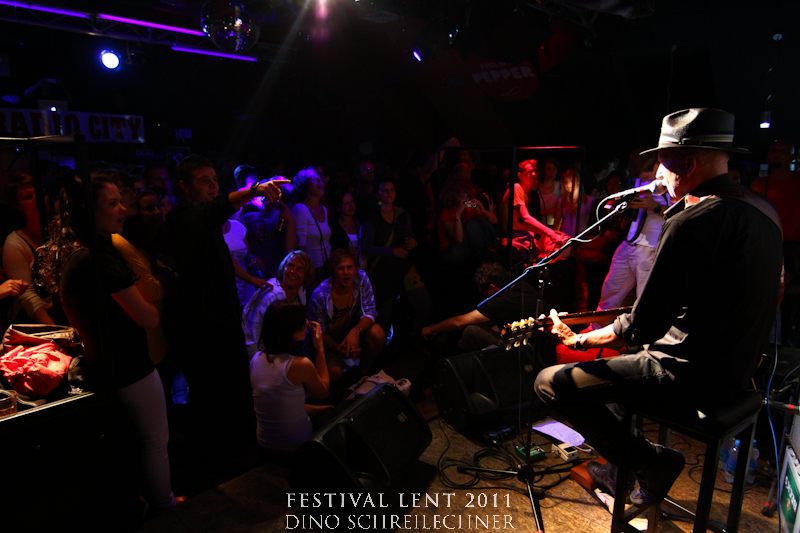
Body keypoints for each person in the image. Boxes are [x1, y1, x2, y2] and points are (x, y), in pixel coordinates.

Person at [534, 108, 783, 506]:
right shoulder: (763, 209)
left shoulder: (692, 220)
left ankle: (651, 463)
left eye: (663, 164)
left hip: (690, 376)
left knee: (551, 383)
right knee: (615, 379)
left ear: (688, 164)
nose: (658, 176)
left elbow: (643, 326)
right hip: (739, 371)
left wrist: (578, 340)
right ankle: (617, 469)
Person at [41, 174, 180, 511]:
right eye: (113, 203)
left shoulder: (81, 252)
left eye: (122, 201)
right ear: (89, 210)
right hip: (129, 367)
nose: (123, 210)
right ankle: (166, 508)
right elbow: (149, 317)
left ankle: (147, 502)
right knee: (155, 442)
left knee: (136, 443)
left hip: (109, 362)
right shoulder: (97, 259)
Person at [164, 154, 286, 429]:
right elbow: (215, 209)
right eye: (204, 181)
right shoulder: (182, 218)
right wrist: (254, 190)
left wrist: (250, 277)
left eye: (215, 180)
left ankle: (241, 436)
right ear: (184, 186)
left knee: (235, 382)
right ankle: (217, 445)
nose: (213, 186)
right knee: (212, 391)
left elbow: (222, 257)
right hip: (203, 323)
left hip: (225, 315)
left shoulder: (206, 221)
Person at [586, 152, 671, 330]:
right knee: (610, 290)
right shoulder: (641, 181)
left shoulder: (671, 183)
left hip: (650, 247)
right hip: (630, 242)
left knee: (645, 298)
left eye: (646, 177)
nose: (644, 181)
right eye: (641, 178)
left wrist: (655, 206)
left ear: (656, 167)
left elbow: (678, 214)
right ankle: (596, 330)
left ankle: (643, 338)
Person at [250, 301, 331, 453]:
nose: (307, 322)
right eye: (302, 321)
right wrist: (319, 348)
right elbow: (323, 391)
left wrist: (311, 409)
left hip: (265, 444)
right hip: (296, 446)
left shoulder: (256, 359)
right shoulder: (300, 365)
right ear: (290, 331)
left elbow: (276, 403)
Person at [421, 262, 545, 353]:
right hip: (540, 340)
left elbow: (458, 323)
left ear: (492, 287)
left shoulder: (501, 301)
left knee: (471, 331)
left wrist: (430, 329)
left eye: (483, 292)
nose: (484, 295)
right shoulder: (520, 285)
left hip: (524, 348)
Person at [362, 178, 431, 338]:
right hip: (382, 271)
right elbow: (365, 248)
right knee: (384, 319)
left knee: (424, 303)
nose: (389, 193)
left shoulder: (402, 214)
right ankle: (382, 348)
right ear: (378, 195)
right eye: (385, 190)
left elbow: (409, 238)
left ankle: (417, 339)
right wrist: (392, 251)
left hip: (402, 267)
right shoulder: (372, 218)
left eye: (391, 190)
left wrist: (412, 243)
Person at [307, 248, 385, 382]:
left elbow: (370, 311)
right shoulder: (320, 295)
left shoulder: (361, 279)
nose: (346, 272)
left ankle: (361, 375)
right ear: (334, 271)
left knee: (377, 333)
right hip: (327, 339)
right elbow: (318, 332)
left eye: (350, 267)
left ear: (355, 269)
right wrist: (336, 348)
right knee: (334, 372)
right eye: (341, 268)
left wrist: (355, 331)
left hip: (348, 330)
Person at [750, 139, 800, 345]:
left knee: (793, 303)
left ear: (793, 156)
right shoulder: (760, 185)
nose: (777, 154)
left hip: (796, 248)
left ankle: (790, 345)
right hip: (772, 244)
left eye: (783, 151)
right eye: (774, 151)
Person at [2, 174, 56, 324]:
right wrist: (55, 329)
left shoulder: (63, 229)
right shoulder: (15, 243)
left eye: (42, 194)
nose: (37, 200)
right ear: (17, 206)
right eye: (28, 197)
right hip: (32, 319)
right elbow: (27, 295)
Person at [242, 250, 313, 358]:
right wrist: (257, 361)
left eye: (300, 268)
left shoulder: (301, 292)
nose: (293, 271)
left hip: (283, 350)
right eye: (290, 265)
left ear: (306, 275)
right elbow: (252, 332)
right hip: (262, 355)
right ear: (283, 268)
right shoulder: (271, 296)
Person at [498, 159, 567, 259]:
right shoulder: (516, 188)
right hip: (514, 236)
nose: (534, 174)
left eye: (535, 171)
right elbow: (526, 218)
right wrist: (550, 233)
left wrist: (550, 232)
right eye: (529, 172)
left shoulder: (526, 194)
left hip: (520, 234)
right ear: (520, 176)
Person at [292, 167, 332, 287]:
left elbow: (327, 242)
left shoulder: (324, 209)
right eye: (314, 179)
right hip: (312, 270)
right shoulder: (300, 209)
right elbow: (300, 247)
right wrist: (307, 274)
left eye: (320, 179)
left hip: (326, 267)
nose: (320, 181)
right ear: (305, 186)